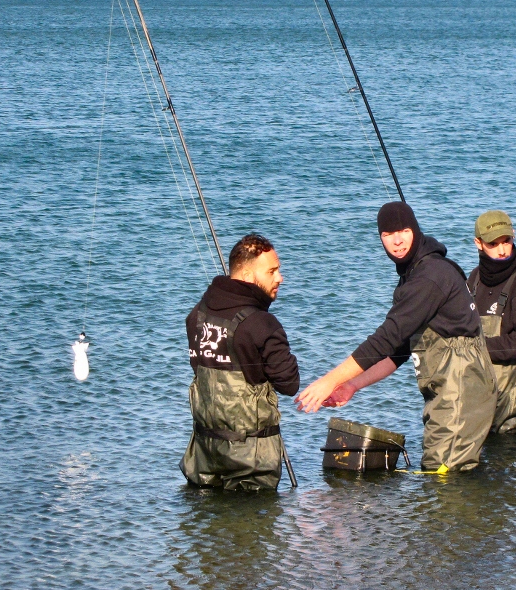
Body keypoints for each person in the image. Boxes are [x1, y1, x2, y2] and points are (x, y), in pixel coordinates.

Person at [295, 202, 497, 472]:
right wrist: (352, 385)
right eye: (387, 235)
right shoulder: (413, 276)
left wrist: (329, 381)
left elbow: (386, 338)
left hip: (462, 389)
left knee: (443, 475)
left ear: (414, 229)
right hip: (448, 391)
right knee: (440, 472)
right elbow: (399, 350)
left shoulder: (430, 276)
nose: (397, 241)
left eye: (403, 230)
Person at [180, 234, 299, 490]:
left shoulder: (196, 315)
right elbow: (289, 384)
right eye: (272, 271)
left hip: (203, 457)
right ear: (246, 277)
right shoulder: (262, 324)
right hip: (252, 465)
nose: (280, 278)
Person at [466, 210, 516, 434]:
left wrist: (476, 348)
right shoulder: (473, 280)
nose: (502, 250)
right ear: (478, 243)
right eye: (493, 244)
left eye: (507, 241)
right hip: (474, 405)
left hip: (508, 417)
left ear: (513, 236)